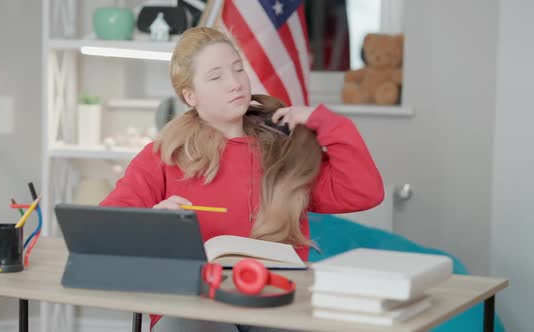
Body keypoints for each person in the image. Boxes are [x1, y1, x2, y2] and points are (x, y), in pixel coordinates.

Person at [100, 26, 384, 332]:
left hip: (277, 298)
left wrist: (323, 121)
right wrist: (151, 221)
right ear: (190, 96)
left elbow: (364, 192)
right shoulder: (164, 154)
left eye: (238, 69)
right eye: (216, 76)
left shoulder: (285, 148)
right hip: (195, 302)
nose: (235, 83)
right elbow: (104, 229)